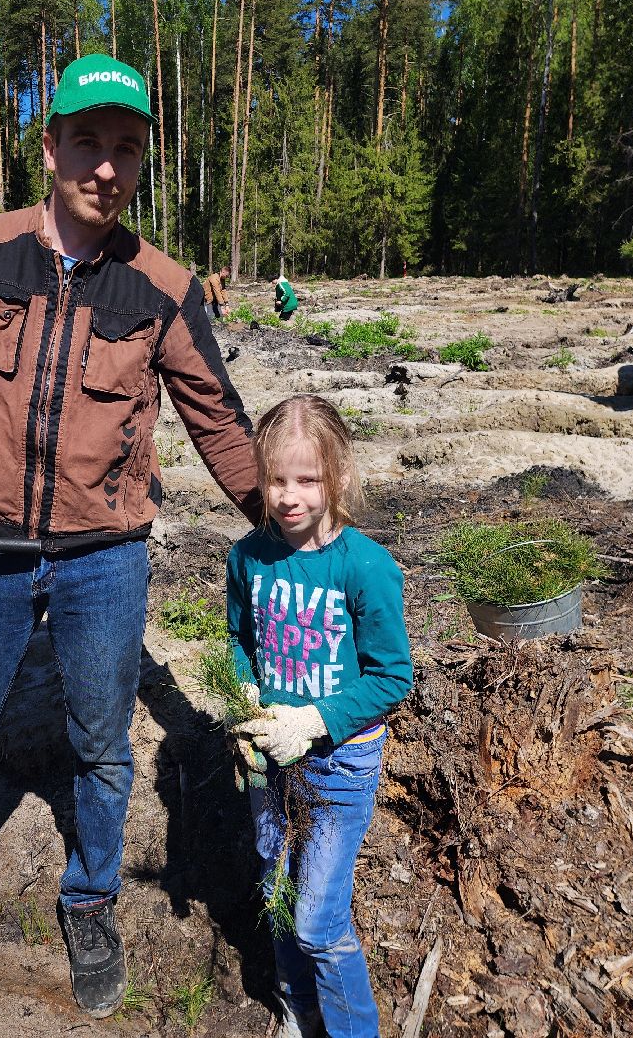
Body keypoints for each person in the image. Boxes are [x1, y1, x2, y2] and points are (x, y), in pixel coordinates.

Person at [0, 52, 262, 1019]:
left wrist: (284, 521)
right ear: (48, 146)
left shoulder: (163, 287)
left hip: (105, 555)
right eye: (87, 141)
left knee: (102, 744)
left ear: (141, 165)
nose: (105, 165)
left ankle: (90, 898)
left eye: (126, 149)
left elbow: (215, 416)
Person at [226, 394, 412, 1038]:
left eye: (308, 479)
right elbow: (239, 641)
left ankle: (353, 1029)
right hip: (266, 759)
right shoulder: (248, 558)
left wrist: (312, 721)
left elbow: (393, 677)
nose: (289, 496)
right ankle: (296, 1007)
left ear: (339, 477)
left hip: (338, 762)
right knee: (275, 884)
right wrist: (247, 694)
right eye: (277, 479)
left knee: (317, 920)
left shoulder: (366, 567)